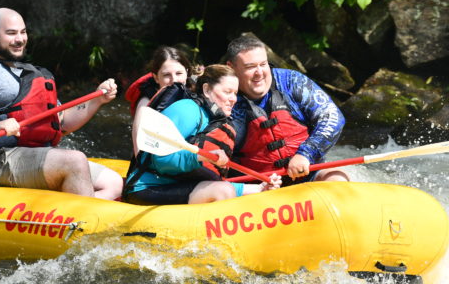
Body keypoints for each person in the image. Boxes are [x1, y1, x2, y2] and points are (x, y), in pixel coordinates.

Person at [0, 7, 123, 199]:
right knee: (74, 161)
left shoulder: (33, 74)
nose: (20, 39)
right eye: (11, 33)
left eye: (23, 32)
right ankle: (81, 223)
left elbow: (62, 122)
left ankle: (70, 215)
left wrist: (97, 99)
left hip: (37, 153)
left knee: (113, 183)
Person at [124, 64, 281, 205]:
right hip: (147, 188)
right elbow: (161, 161)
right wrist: (200, 156)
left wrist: (260, 187)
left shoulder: (214, 120)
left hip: (177, 186)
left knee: (223, 188)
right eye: (227, 92)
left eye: (235, 93)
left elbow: (207, 180)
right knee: (222, 191)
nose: (233, 99)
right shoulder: (187, 110)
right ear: (206, 89)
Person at [225, 34, 349, 184]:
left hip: (308, 174)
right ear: (231, 68)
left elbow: (332, 117)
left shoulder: (291, 81)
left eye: (263, 64)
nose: (259, 73)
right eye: (250, 67)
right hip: (258, 187)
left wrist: (306, 154)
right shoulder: (224, 100)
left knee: (337, 177)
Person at [124, 45, 195, 156]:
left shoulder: (197, 93)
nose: (174, 80)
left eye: (179, 73)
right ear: (156, 77)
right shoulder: (146, 102)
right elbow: (139, 145)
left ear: (187, 72)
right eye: (167, 75)